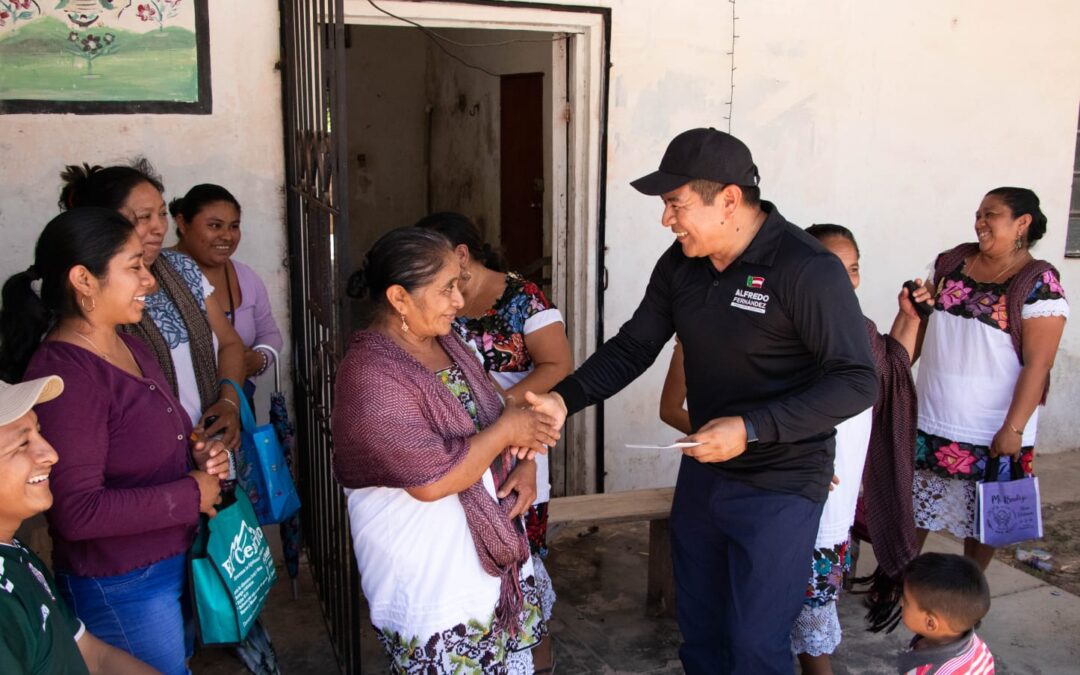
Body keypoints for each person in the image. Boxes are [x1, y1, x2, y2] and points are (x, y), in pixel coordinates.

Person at [529, 128, 879, 674]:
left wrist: (751, 427)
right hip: (706, 474)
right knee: (700, 634)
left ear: (730, 200)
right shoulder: (681, 265)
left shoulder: (806, 269)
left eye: (676, 204)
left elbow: (857, 380)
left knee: (755, 644)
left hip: (782, 481)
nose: (667, 219)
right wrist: (561, 400)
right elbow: (633, 346)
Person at [0, 208, 227, 674]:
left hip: (164, 564)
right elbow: (76, 511)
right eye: (134, 267)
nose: (150, 282)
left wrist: (199, 451)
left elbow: (147, 439)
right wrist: (190, 493)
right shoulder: (66, 375)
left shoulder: (129, 344)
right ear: (84, 279)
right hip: (123, 582)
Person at [332, 227, 560, 674]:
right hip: (431, 572)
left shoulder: (449, 342)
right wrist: (505, 432)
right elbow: (430, 480)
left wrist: (525, 459)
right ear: (399, 297)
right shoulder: (371, 374)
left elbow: (497, 406)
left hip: (486, 551)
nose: (460, 301)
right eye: (447, 288)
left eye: (460, 284)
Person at [415, 212, 569, 666]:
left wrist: (495, 403)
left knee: (518, 554)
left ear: (461, 255)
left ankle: (530, 652)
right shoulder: (439, 301)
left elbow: (557, 366)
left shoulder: (523, 298)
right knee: (465, 554)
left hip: (518, 445)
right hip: (456, 447)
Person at [911, 187, 1068, 570]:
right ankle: (897, 581)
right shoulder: (950, 262)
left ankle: (969, 591)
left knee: (984, 519)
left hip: (991, 428)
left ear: (1022, 223)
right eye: (978, 214)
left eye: (991, 214)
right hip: (932, 414)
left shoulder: (1039, 283)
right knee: (914, 507)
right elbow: (923, 323)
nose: (979, 222)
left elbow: (1038, 364)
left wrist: (1013, 428)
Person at [58, 161, 245, 450]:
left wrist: (228, 401)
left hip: (210, 449)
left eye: (161, 213)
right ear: (104, 223)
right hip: (148, 462)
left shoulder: (182, 268)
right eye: (144, 217)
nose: (159, 227)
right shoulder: (95, 297)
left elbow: (229, 343)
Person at [0, 374, 160, 675]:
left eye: (39, 433)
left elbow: (90, 655)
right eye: (22, 443)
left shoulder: (16, 553)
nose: (51, 454)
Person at [170, 184, 283, 396]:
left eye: (234, 226)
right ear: (182, 223)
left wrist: (259, 359)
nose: (227, 236)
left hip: (237, 404)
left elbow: (270, 334)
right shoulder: (156, 275)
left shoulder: (246, 278)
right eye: (214, 226)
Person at [898, 552, 994, 674]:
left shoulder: (935, 671)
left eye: (906, 600)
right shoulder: (976, 645)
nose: (901, 602)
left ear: (930, 623)